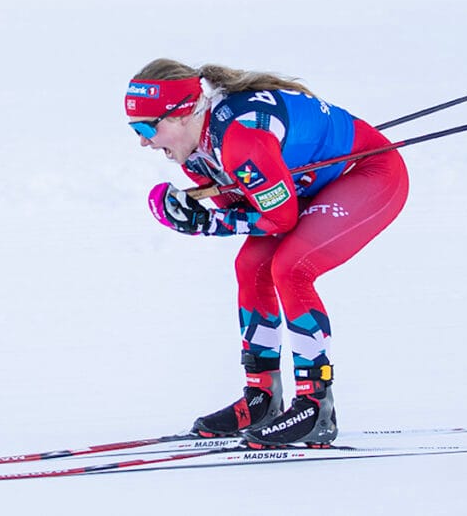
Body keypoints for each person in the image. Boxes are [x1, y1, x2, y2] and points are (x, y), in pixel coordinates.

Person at [125, 58, 409, 448]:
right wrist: (196, 210)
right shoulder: (196, 151)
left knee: (292, 268)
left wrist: (206, 224)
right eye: (134, 129)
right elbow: (243, 208)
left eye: (146, 127)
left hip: (365, 174)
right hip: (310, 184)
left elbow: (278, 218)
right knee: (251, 265)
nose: (142, 141)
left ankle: (315, 407)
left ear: (186, 112)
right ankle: (262, 397)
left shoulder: (240, 139)